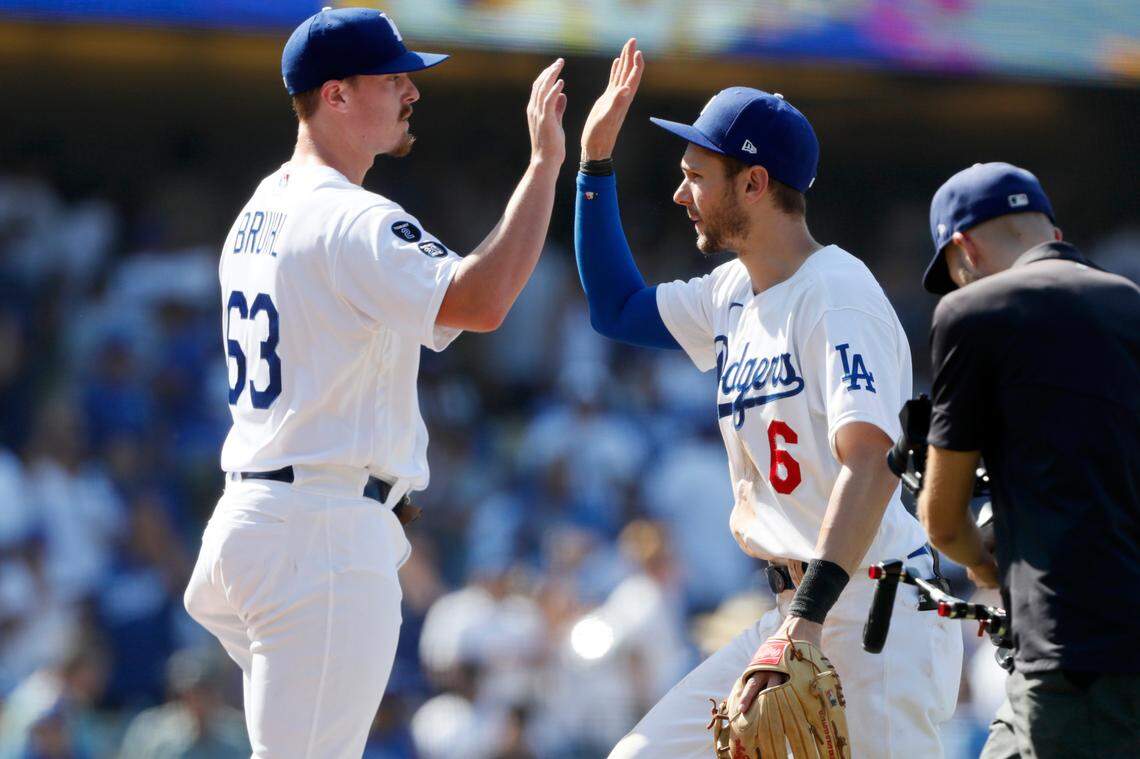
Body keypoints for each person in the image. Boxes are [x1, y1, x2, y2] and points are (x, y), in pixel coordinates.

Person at [183, 7, 567, 757]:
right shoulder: (349, 216)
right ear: (334, 95)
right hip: (319, 532)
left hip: (257, 522)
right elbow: (480, 300)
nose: (410, 91)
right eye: (392, 78)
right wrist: (544, 166)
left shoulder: (261, 205)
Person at [574, 38, 961, 757]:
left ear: (753, 183)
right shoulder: (729, 291)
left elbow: (871, 463)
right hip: (797, 608)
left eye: (696, 175)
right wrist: (594, 164)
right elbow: (616, 307)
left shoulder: (837, 294)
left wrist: (807, 623)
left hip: (874, 613)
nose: (680, 193)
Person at [917, 162, 1140, 758]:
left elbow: (940, 516)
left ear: (962, 247)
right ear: (1052, 230)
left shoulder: (975, 311)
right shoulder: (1131, 302)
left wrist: (983, 562)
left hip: (1070, 653)